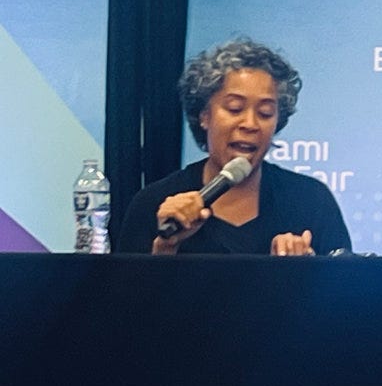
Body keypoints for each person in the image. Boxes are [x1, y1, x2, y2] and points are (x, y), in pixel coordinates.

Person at [117, 38, 351, 255]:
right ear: (204, 115)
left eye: (265, 113)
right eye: (235, 109)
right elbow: (125, 287)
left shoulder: (311, 201)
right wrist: (166, 247)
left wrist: (306, 271)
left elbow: (345, 284)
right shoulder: (154, 204)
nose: (250, 124)